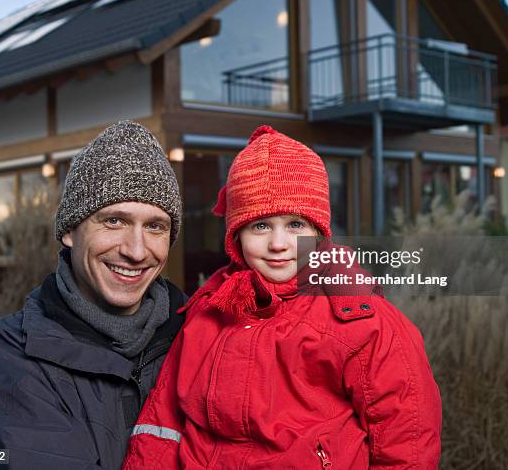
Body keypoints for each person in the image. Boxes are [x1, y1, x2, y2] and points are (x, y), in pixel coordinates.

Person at [124, 125, 442, 468]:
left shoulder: (364, 322)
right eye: (260, 226)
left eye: (295, 225)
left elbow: (407, 441)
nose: (278, 244)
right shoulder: (208, 311)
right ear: (236, 236)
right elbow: (163, 422)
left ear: (318, 232)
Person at [0, 120, 186, 470]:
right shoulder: (9, 355)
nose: (137, 251)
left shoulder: (201, 338)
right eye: (114, 221)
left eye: (155, 226)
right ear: (69, 232)